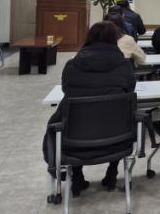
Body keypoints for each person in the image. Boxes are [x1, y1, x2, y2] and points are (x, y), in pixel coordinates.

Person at [43, 22, 136, 195]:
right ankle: (112, 172)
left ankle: (77, 176)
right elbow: (130, 90)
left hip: (76, 140)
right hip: (117, 139)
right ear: (115, 39)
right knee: (116, 117)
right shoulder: (124, 66)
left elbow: (67, 91)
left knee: (72, 119)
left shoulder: (72, 65)